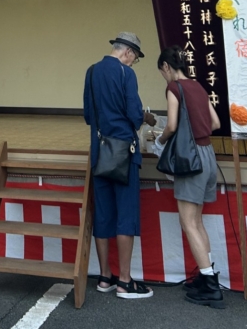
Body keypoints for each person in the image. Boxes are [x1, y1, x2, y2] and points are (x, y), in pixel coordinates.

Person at [84, 32, 157, 300]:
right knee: (125, 215)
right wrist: (147, 117)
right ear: (127, 52)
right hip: (124, 153)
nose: (133, 63)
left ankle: (105, 277)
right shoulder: (127, 75)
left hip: (100, 154)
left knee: (103, 214)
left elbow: (88, 116)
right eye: (135, 58)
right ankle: (125, 281)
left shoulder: (91, 72)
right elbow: (135, 115)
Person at [156, 45, 224, 309]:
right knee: (197, 220)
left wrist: (160, 141)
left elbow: (171, 125)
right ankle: (207, 274)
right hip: (208, 155)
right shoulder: (197, 86)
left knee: (189, 222)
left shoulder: (175, 88)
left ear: (166, 67)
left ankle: (210, 286)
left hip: (190, 158)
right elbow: (216, 123)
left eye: (163, 72)